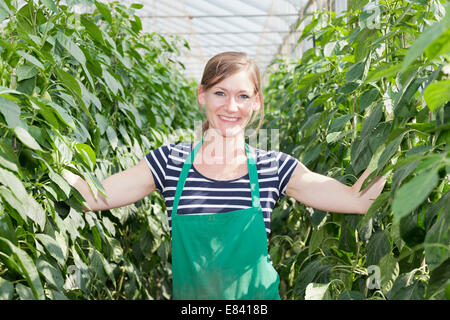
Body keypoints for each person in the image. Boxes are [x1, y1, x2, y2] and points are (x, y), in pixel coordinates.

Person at [63, 51, 387, 300]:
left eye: (243, 96)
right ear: (202, 95)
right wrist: (38, 150)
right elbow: (89, 196)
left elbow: (357, 200)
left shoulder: (272, 167)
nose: (231, 107)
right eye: (220, 93)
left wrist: (398, 129)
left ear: (256, 103)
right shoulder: (170, 164)